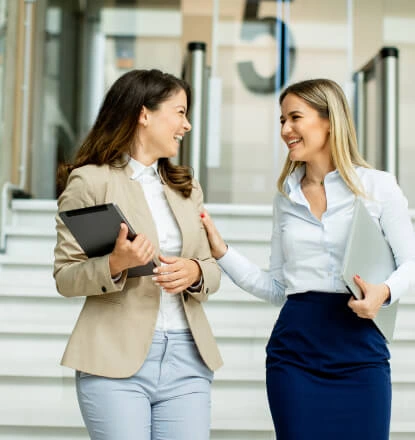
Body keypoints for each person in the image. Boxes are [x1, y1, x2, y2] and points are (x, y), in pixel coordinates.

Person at [201, 78, 415, 440]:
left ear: (329, 120)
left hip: (361, 352)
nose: (285, 130)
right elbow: (277, 287)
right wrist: (222, 252)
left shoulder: (378, 187)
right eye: (281, 120)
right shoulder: (285, 198)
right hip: (294, 355)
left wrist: (384, 292)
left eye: (294, 118)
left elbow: (410, 262)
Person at [53, 69, 222, 440]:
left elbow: (210, 267)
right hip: (114, 357)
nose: (187, 124)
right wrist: (116, 264)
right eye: (179, 112)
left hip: (187, 357)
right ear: (144, 114)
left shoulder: (186, 187)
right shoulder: (91, 181)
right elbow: (66, 276)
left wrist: (194, 271)